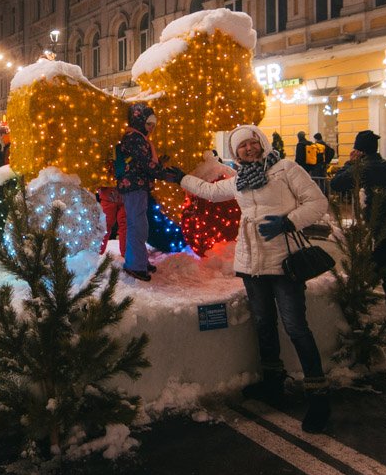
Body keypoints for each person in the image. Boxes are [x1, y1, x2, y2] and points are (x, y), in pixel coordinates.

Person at [175, 124, 332, 433]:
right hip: (250, 262)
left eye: (252, 143)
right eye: (241, 146)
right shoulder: (239, 180)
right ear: (236, 152)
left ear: (261, 143)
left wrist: (288, 222)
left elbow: (318, 203)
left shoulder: (285, 169)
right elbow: (209, 191)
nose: (248, 149)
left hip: (283, 261)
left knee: (296, 326)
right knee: (263, 322)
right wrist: (178, 177)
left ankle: (318, 396)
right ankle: (273, 383)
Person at [331, 130, 386, 337]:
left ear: (359, 150)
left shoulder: (364, 168)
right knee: (384, 265)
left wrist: (350, 163)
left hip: (375, 226)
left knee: (383, 268)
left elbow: (337, 183)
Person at [114, 103, 170, 282]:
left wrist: (159, 164)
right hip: (134, 186)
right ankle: (135, 265)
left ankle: (140, 261)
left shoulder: (138, 137)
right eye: (148, 123)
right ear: (138, 121)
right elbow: (145, 163)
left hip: (137, 186)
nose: (151, 128)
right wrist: (164, 173)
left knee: (140, 225)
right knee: (136, 225)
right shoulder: (134, 137)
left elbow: (142, 161)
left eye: (153, 124)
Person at [97, 185, 127, 257]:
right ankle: (97, 251)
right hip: (115, 193)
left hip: (119, 193)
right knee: (104, 224)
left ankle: (97, 251)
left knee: (104, 224)